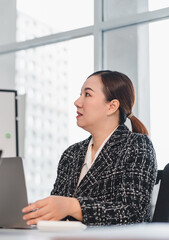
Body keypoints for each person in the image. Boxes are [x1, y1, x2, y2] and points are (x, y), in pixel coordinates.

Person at [22, 70, 157, 226]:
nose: (77, 102)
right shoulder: (72, 154)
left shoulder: (137, 145)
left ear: (112, 106)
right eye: (80, 94)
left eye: (87, 94)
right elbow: (57, 213)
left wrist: (72, 206)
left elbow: (132, 213)